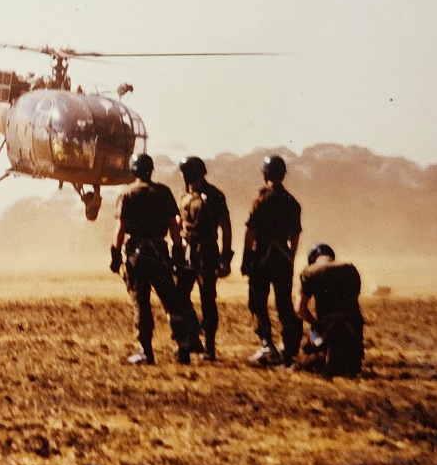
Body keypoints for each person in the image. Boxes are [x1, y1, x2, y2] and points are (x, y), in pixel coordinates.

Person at [111, 153, 192, 365]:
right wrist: (177, 252)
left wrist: (114, 254)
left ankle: (146, 352)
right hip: (159, 253)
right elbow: (175, 226)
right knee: (170, 301)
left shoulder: (127, 194)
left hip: (136, 256)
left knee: (141, 303)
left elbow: (120, 228)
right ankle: (182, 347)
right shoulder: (163, 192)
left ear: (133, 171)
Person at [241, 155, 303, 366]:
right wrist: (291, 257)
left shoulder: (261, 199)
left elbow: (251, 231)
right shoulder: (292, 202)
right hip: (283, 257)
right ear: (283, 174)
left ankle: (267, 344)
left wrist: (246, 256)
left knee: (258, 301)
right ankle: (288, 345)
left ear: (265, 174)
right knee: (284, 303)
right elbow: (295, 236)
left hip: (262, 256)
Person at [176, 156, 233, 361]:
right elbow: (179, 223)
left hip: (207, 251)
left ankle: (209, 347)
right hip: (186, 250)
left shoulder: (215, 195)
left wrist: (226, 256)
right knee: (180, 297)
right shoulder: (184, 196)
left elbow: (225, 226)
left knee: (207, 299)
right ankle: (191, 339)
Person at [295, 243, 364, 378]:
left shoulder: (310, 272)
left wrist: (315, 325)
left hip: (328, 328)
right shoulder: (350, 269)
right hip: (353, 328)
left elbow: (299, 308)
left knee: (310, 341)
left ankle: (322, 353)